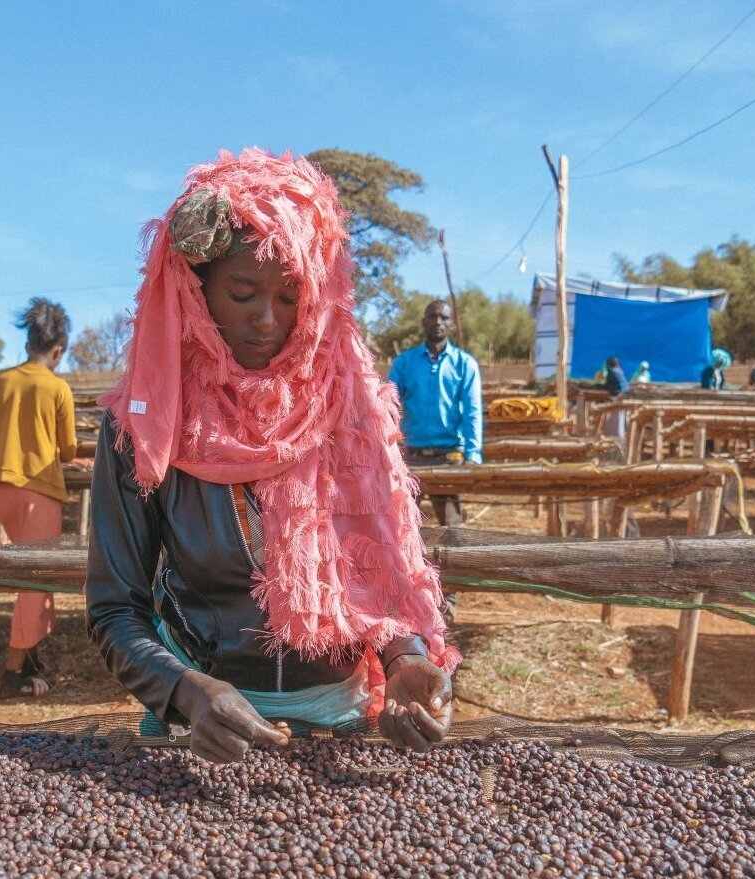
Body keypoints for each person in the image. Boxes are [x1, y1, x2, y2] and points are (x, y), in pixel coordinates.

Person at [87, 149, 460, 765]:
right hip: (201, 728)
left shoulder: (350, 410)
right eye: (241, 294)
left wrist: (405, 660)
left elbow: (379, 572)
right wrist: (183, 692)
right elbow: (114, 609)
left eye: (291, 299)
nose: (267, 322)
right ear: (195, 292)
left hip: (336, 719)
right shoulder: (146, 425)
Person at [0, 298, 76, 699]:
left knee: (32, 576)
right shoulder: (56, 386)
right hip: (39, 490)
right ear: (58, 350)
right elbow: (66, 451)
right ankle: (11, 673)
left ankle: (33, 661)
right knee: (35, 580)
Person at [388, 300, 482, 622]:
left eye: (444, 317)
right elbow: (388, 405)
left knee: (451, 529)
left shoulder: (464, 364)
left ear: (451, 325)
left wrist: (473, 454)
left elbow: (471, 410)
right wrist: (384, 444)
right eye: (433, 316)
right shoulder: (404, 364)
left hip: (447, 458)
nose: (438, 322)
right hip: (411, 457)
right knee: (402, 527)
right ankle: (406, 596)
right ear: (424, 321)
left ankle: (449, 599)